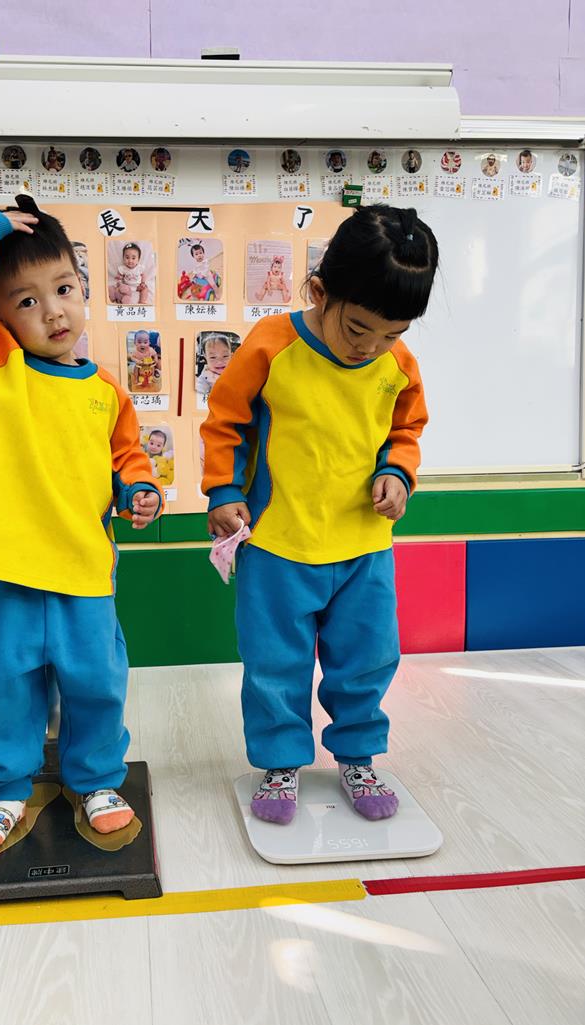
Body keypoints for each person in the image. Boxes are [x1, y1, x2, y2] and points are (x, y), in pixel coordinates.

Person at [0, 196, 163, 852]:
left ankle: (96, 780)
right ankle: (5, 789)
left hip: (82, 573)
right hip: (0, 572)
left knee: (97, 684)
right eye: (26, 300)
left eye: (64, 288)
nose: (53, 311)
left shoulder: (106, 390)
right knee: (0, 689)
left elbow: (126, 457)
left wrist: (139, 489)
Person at [201, 205, 439, 826]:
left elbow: (406, 430)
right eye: (358, 328)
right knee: (274, 665)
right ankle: (280, 763)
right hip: (278, 545)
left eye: (392, 334)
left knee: (366, 660)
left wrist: (397, 472)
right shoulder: (271, 345)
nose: (371, 347)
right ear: (319, 292)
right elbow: (226, 422)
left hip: (363, 547)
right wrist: (222, 491)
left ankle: (357, 758)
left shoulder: (397, 365)